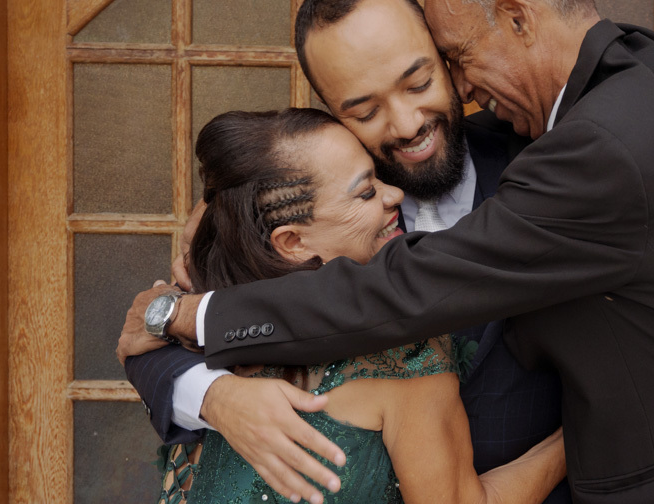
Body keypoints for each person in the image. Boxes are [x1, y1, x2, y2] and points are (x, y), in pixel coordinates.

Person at [122, 0, 654, 504]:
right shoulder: (303, 201)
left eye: (418, 80)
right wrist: (211, 396)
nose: (404, 123)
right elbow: (160, 328)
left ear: (448, 59)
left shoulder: (560, 164)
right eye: (362, 108)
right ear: (330, 114)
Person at [155, 107, 566, 504]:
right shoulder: (407, 356)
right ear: (292, 243)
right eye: (367, 191)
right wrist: (576, 437)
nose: (395, 195)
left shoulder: (193, 343)